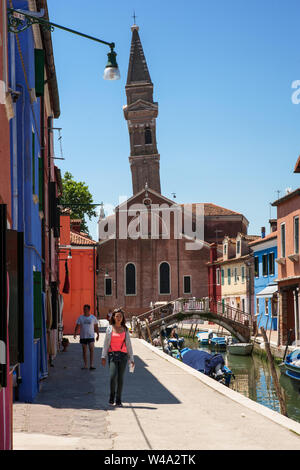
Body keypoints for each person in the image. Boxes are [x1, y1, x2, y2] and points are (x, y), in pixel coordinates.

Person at [101, 308, 134, 407]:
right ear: (114, 317)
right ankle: (112, 397)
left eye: (120, 316)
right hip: (112, 355)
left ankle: (118, 399)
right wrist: (103, 356)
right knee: (112, 377)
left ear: (123, 318)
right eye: (117, 316)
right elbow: (106, 343)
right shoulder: (110, 328)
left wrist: (131, 358)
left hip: (123, 356)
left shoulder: (125, 329)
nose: (119, 318)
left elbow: (129, 345)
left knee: (120, 378)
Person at [74, 304, 99, 370]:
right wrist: (75, 333)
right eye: (84, 309)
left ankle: (91, 365)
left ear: (89, 310)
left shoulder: (93, 317)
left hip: (91, 336)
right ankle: (85, 365)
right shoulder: (80, 317)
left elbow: (96, 326)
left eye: (86, 309)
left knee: (91, 350)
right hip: (83, 337)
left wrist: (98, 334)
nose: (85, 310)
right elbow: (77, 326)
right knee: (84, 351)